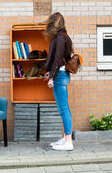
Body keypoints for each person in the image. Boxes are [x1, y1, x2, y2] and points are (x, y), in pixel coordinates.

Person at [43, 12, 74, 151]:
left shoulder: (60, 38)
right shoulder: (63, 36)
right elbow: (59, 59)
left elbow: (58, 59)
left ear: (54, 23)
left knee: (64, 109)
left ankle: (68, 142)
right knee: (63, 109)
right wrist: (50, 72)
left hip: (60, 76)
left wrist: (52, 78)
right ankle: (65, 138)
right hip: (61, 74)